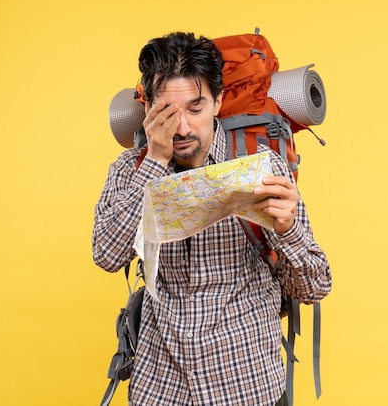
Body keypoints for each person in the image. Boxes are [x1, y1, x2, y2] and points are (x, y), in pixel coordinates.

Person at [92, 31, 332, 406]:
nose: (182, 128)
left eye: (195, 108)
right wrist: (155, 161)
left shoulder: (261, 165)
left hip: (246, 386)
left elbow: (314, 287)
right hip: (162, 389)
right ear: (148, 109)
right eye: (167, 112)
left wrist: (288, 230)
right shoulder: (130, 169)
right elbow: (107, 254)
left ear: (218, 101)